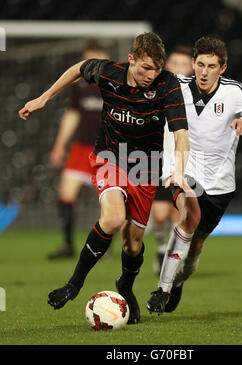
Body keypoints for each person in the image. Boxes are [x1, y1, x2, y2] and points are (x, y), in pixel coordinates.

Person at [19, 32, 195, 325]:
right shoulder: (108, 72)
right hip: (109, 156)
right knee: (113, 219)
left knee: (133, 246)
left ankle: (125, 286)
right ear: (131, 59)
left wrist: (179, 169)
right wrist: (43, 98)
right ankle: (73, 284)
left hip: (145, 165)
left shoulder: (168, 84)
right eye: (145, 68)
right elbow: (79, 67)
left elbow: (181, 133)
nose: (151, 75)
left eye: (156, 69)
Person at [147, 36, 242, 314]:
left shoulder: (234, 92)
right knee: (188, 212)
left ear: (222, 68)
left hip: (219, 184)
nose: (204, 72)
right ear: (193, 64)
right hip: (183, 170)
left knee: (194, 250)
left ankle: (177, 282)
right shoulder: (175, 86)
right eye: (200, 64)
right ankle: (162, 289)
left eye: (211, 66)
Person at [48, 41, 109, 259]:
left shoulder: (114, 86)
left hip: (107, 152)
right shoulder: (80, 87)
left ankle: (105, 247)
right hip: (82, 149)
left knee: (111, 200)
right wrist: (59, 145)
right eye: (87, 61)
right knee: (65, 195)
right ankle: (68, 245)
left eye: (96, 59)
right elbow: (72, 116)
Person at [151, 45, 194, 275]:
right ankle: (160, 248)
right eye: (174, 63)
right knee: (159, 215)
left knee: (181, 215)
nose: (177, 69)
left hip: (183, 162)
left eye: (183, 64)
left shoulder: (197, 97)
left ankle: (175, 258)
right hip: (156, 161)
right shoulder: (155, 90)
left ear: (191, 68)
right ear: (167, 65)